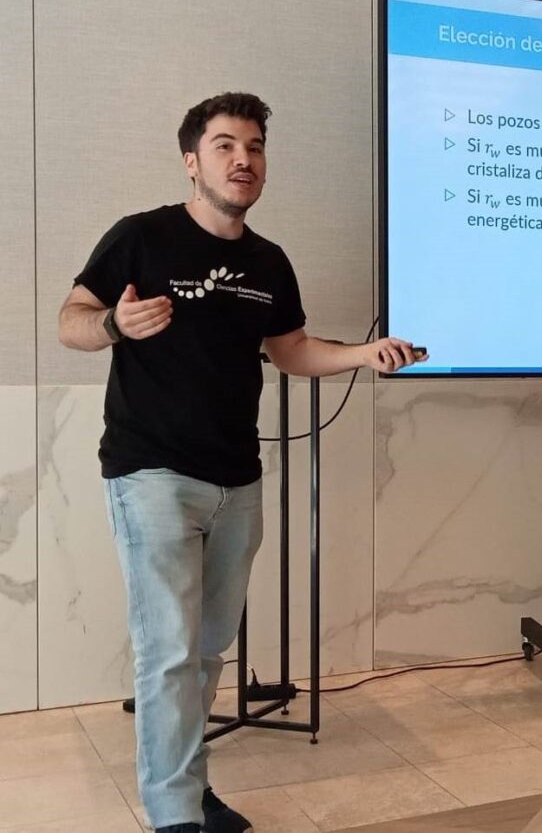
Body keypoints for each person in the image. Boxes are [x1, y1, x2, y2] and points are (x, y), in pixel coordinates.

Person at [58, 92, 423, 833]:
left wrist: (364, 353)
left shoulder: (269, 261)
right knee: (169, 652)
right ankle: (174, 815)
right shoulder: (141, 236)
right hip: (151, 473)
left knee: (206, 652)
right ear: (192, 161)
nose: (242, 159)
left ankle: (190, 789)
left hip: (238, 480)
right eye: (224, 145)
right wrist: (114, 324)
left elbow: (291, 350)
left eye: (254, 146)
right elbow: (71, 322)